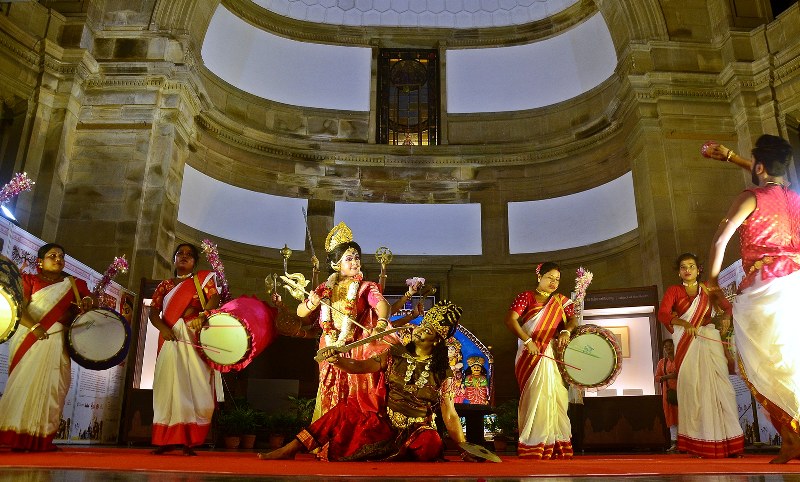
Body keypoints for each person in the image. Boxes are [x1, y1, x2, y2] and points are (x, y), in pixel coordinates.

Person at [258, 300, 479, 462]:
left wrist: (463, 449)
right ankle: (290, 449)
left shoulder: (443, 372)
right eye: (423, 325)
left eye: (428, 330)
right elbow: (360, 367)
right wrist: (338, 360)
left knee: (432, 444)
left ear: (438, 339)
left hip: (417, 430)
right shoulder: (395, 353)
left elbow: (449, 413)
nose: (420, 329)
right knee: (345, 410)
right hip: (386, 424)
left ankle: (396, 455)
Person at [705, 134, 800, 464]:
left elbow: (721, 239)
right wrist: (734, 157)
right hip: (795, 283)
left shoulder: (750, 197)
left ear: (759, 166)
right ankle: (791, 437)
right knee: (790, 361)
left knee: (761, 364)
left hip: (763, 287)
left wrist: (713, 282)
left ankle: (791, 435)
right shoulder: (796, 199)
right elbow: (770, 174)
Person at [0, 243, 94, 451]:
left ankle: (42, 439)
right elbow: (18, 307)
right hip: (31, 339)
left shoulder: (74, 283)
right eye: (52, 255)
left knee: (53, 389)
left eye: (61, 256)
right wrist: (34, 326)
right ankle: (17, 437)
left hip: (58, 342)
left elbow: (89, 299)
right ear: (40, 262)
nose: (58, 259)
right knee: (23, 386)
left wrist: (87, 301)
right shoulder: (29, 280)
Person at [297, 222, 391, 421]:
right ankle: (328, 441)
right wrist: (312, 303)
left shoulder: (366, 287)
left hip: (355, 348)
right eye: (349, 259)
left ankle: (353, 440)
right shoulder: (324, 288)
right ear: (335, 264)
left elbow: (381, 304)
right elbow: (300, 312)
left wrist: (381, 322)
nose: (355, 262)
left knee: (354, 395)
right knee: (329, 390)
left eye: (357, 258)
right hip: (329, 347)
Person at [657, 252, 743, 458]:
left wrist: (724, 320)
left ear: (698, 269)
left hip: (708, 342)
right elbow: (663, 314)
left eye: (691, 266)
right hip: (687, 344)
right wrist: (684, 323)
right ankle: (699, 442)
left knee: (721, 389)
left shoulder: (709, 289)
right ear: (679, 272)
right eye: (683, 267)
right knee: (693, 391)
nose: (687, 270)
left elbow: (728, 308)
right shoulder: (674, 291)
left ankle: (729, 441)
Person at [149, 243, 221, 456]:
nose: (184, 257)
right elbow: (154, 312)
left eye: (189, 255)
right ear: (173, 258)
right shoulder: (165, 285)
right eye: (180, 253)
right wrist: (163, 329)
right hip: (170, 340)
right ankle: (165, 440)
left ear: (195, 262)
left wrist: (203, 315)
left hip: (193, 339)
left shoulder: (201, 281)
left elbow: (214, 298)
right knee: (167, 388)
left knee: (193, 387)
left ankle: (189, 441)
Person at [504, 261, 578, 459]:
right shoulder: (526, 297)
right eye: (549, 278)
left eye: (557, 280)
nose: (554, 283)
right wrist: (528, 340)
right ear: (539, 277)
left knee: (556, 395)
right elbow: (510, 320)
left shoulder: (561, 301)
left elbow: (573, 320)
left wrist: (565, 331)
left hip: (549, 354)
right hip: (530, 354)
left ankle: (556, 442)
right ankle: (534, 443)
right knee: (535, 395)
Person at [654, 339, 679, 452]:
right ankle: (674, 443)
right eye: (666, 347)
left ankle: (687, 443)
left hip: (682, 393)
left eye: (670, 346)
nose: (668, 348)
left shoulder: (680, 359)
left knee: (684, 417)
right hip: (668, 394)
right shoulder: (662, 362)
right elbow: (657, 378)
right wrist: (668, 377)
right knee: (671, 418)